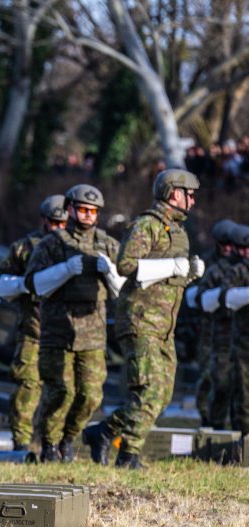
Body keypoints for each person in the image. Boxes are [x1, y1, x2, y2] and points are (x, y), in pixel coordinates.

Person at [83, 169, 204, 468]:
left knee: (162, 397)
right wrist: (173, 266)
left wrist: (188, 274)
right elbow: (125, 265)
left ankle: (104, 432)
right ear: (174, 193)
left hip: (164, 327)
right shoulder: (147, 225)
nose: (192, 200)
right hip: (140, 321)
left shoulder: (177, 231)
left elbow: (168, 280)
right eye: (189, 194)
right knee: (148, 391)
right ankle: (128, 455)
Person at [25, 185, 123, 463]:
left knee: (90, 395)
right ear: (69, 209)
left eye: (93, 211)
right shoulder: (52, 244)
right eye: (82, 209)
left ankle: (69, 438)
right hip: (57, 332)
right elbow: (33, 284)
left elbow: (125, 287)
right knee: (59, 392)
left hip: (93, 334)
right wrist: (65, 270)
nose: (88, 215)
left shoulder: (107, 244)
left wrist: (110, 271)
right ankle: (49, 444)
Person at [0, 195, 68, 452]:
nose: (58, 228)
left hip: (67, 334)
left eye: (63, 223)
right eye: (54, 222)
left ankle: (56, 443)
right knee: (27, 385)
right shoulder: (25, 248)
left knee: (65, 389)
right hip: (34, 331)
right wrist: (25, 285)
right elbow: (2, 284)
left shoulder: (77, 248)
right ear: (44, 220)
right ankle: (21, 442)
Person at [199, 224, 249, 433]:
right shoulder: (230, 270)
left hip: (239, 340)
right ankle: (217, 428)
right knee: (224, 387)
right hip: (226, 339)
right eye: (241, 248)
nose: (245, 252)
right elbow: (211, 299)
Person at [189, 219, 239, 428]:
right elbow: (196, 298)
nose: (227, 248)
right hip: (210, 331)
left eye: (231, 244)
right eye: (223, 244)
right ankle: (207, 419)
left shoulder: (239, 264)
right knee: (208, 377)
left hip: (235, 332)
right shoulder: (209, 264)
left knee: (233, 381)